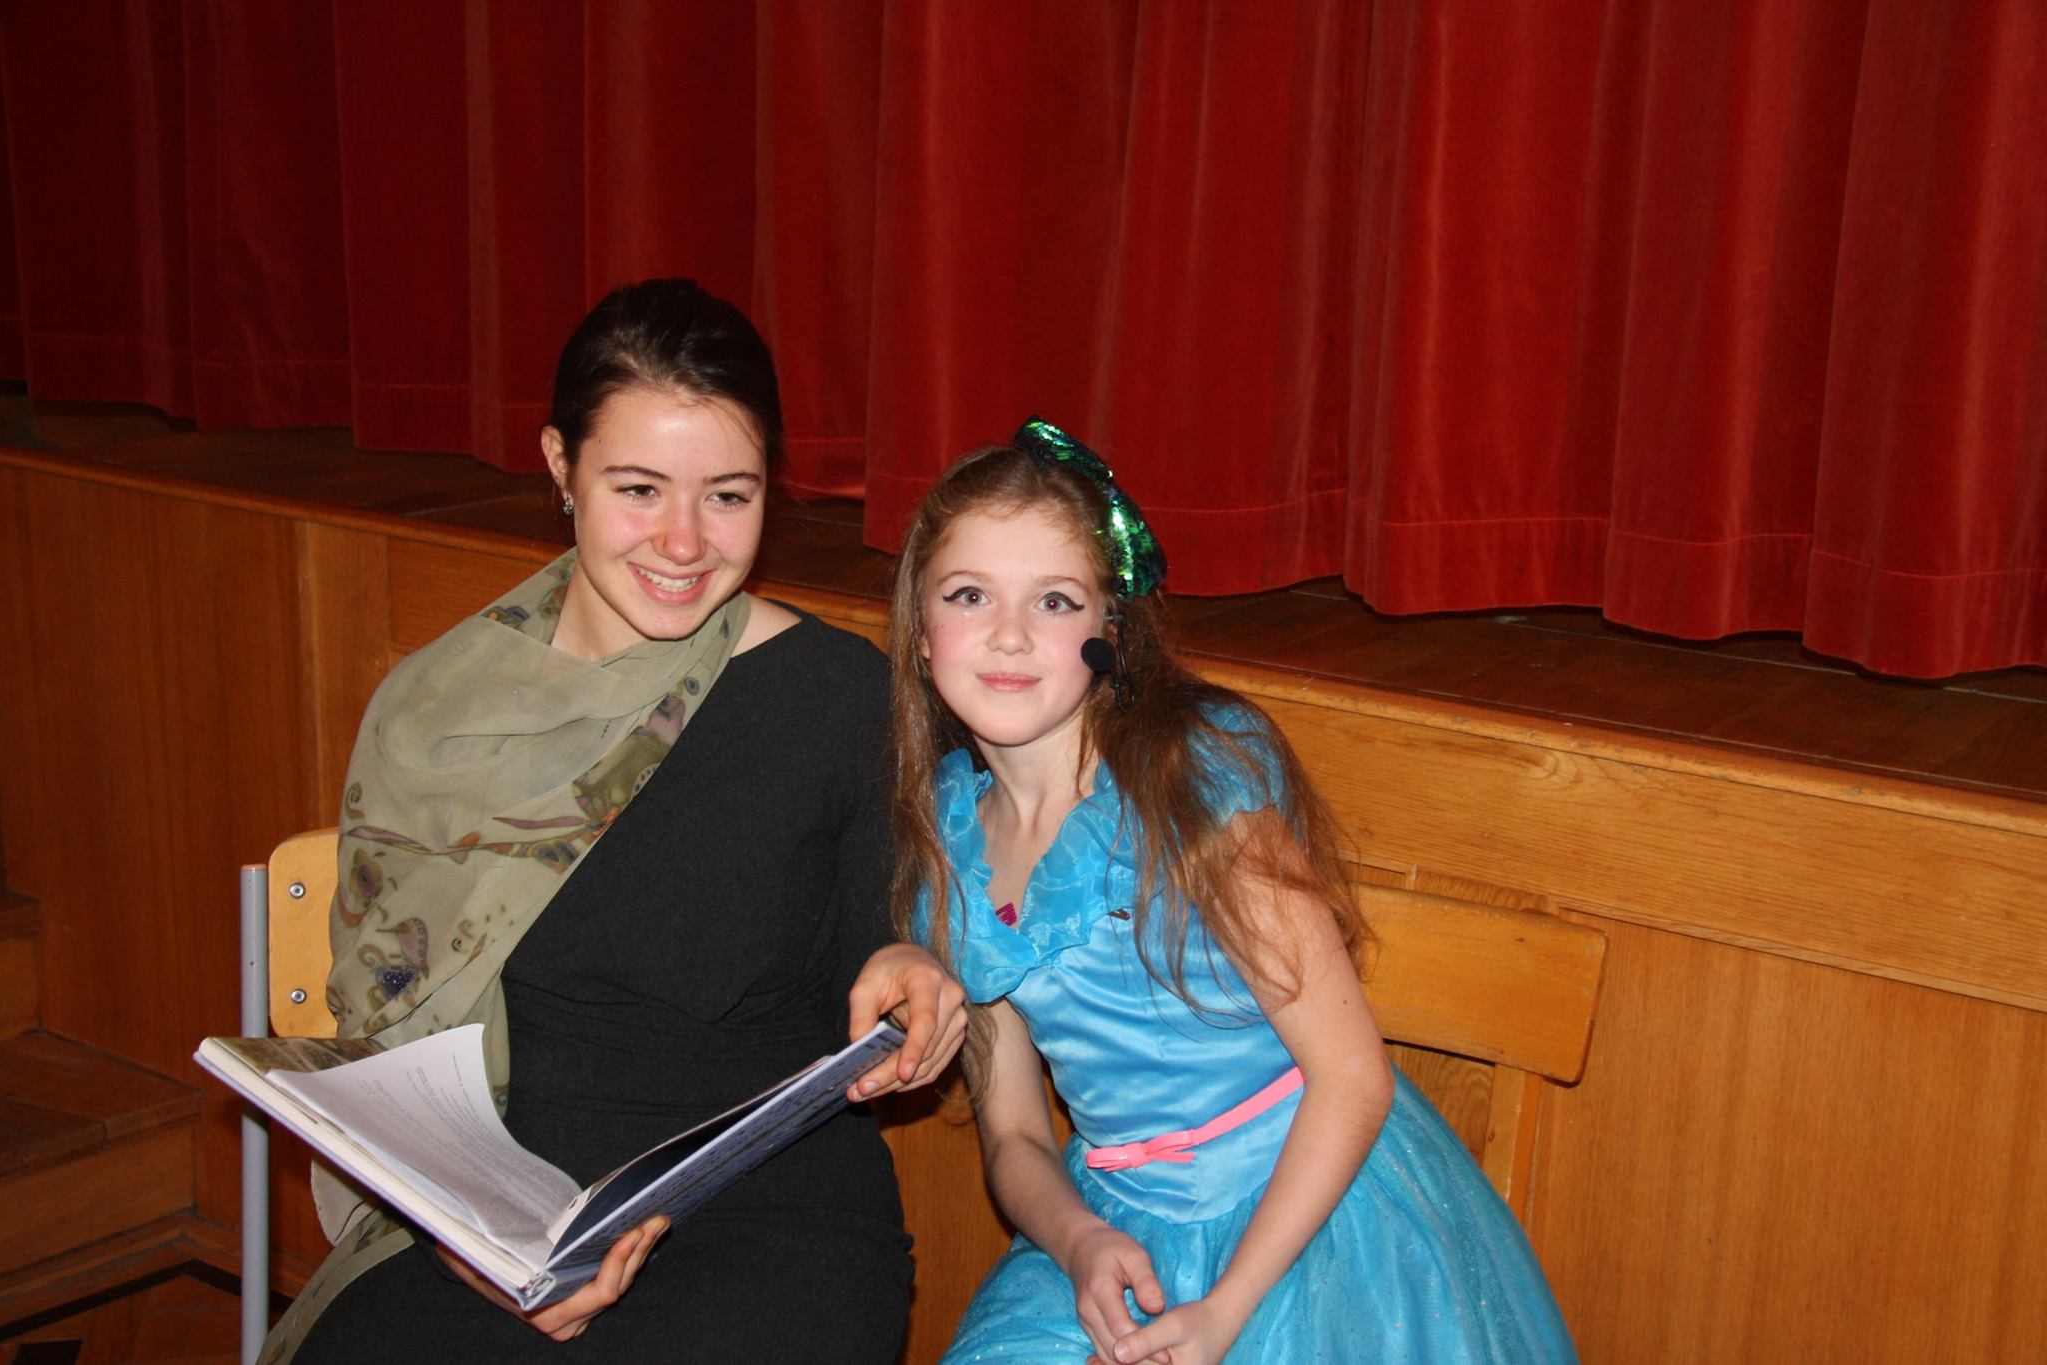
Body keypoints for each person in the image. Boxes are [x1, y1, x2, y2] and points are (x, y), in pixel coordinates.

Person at [268, 279, 966, 1363]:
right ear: (561, 466)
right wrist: (471, 1237)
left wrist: (907, 968)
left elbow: (876, 944)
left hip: (766, 1203)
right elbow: (387, 1037)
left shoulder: (837, 696)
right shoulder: (441, 714)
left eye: (727, 495)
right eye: (639, 489)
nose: (683, 542)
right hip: (496, 1195)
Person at [888, 419, 1576, 1364]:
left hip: (1309, 1214)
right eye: (970, 595)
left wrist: (1226, 1312)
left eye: (1054, 599)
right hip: (1113, 1219)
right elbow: (1014, 1133)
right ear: (922, 635)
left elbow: (1352, 1077)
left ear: (1109, 632)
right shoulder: (949, 847)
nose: (1009, 633)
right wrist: (1078, 1240)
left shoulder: (1195, 784)